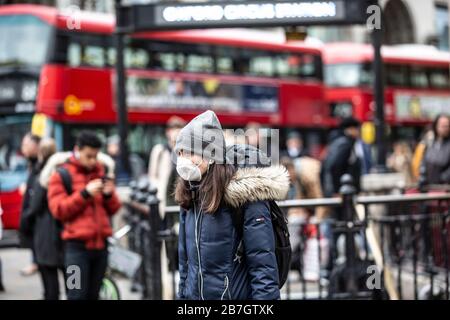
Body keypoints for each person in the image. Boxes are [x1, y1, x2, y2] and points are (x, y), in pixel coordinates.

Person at [175, 110, 287, 300]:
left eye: (190, 152)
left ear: (210, 155)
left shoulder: (245, 195)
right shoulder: (190, 192)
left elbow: (263, 264)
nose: (184, 158)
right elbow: (185, 264)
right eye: (180, 152)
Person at [47, 131, 121, 300]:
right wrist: (84, 194)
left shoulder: (101, 172)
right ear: (77, 150)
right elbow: (58, 210)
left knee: (93, 295)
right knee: (76, 295)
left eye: (96, 156)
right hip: (75, 249)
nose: (93, 161)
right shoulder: (61, 175)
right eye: (88, 156)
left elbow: (114, 209)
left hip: (100, 249)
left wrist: (109, 195)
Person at [22, 138, 65, 300]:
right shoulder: (67, 173)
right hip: (72, 244)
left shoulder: (40, 177)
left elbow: (32, 207)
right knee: (75, 288)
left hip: (46, 239)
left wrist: (24, 226)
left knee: (50, 288)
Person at [321, 117, 362, 199]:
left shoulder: (337, 142)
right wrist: (337, 190)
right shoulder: (345, 145)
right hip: (341, 191)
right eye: (357, 129)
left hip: (335, 189)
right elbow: (336, 167)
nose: (358, 132)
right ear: (350, 129)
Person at [18, 132, 41, 277]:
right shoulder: (32, 163)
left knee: (74, 282)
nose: (23, 148)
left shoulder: (42, 165)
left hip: (77, 249)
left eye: (26, 144)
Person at [419, 114, 450, 189]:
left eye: (447, 126)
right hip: (429, 188)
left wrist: (442, 178)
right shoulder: (431, 143)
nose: (445, 128)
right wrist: (423, 177)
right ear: (436, 126)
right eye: (442, 125)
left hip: (445, 189)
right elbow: (424, 162)